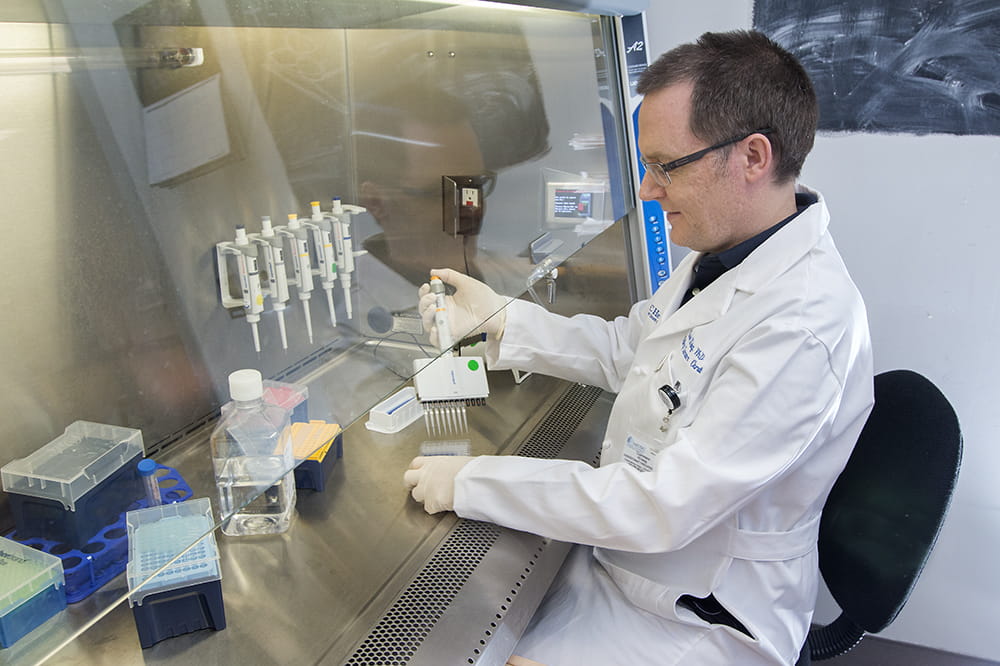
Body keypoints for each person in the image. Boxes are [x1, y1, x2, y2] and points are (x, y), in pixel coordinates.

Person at [403, 29, 873, 666]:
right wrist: (505, 322)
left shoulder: (804, 324)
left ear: (753, 157)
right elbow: (634, 350)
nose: (648, 190)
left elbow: (662, 505)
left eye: (666, 166)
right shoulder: (728, 255)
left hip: (702, 613)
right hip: (631, 568)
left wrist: (472, 479)